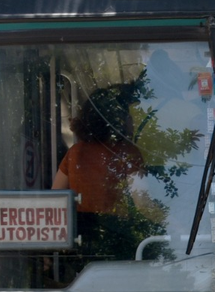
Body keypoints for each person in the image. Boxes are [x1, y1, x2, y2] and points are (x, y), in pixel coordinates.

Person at [52, 88, 147, 262]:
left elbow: (55, 201)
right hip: (117, 237)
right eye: (127, 114)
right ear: (116, 120)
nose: (131, 120)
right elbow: (142, 203)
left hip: (80, 239)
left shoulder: (75, 152)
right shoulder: (127, 153)